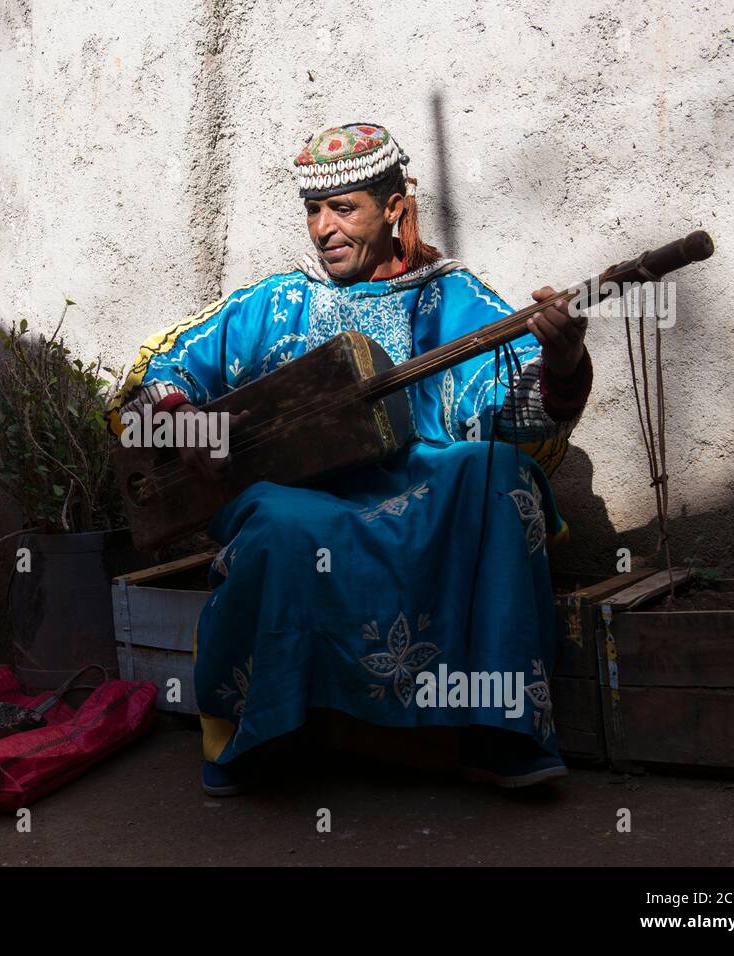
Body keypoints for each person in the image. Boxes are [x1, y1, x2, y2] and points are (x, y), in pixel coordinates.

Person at [108, 123, 592, 795]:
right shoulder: (275, 303)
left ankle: (497, 729)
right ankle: (263, 732)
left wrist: (565, 362)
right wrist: (181, 422)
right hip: (299, 497)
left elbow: (520, 419)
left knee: (495, 475)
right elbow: (142, 384)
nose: (323, 228)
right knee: (279, 524)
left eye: (344, 208)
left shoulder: (451, 299)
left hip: (417, 490)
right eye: (314, 210)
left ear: (394, 206)